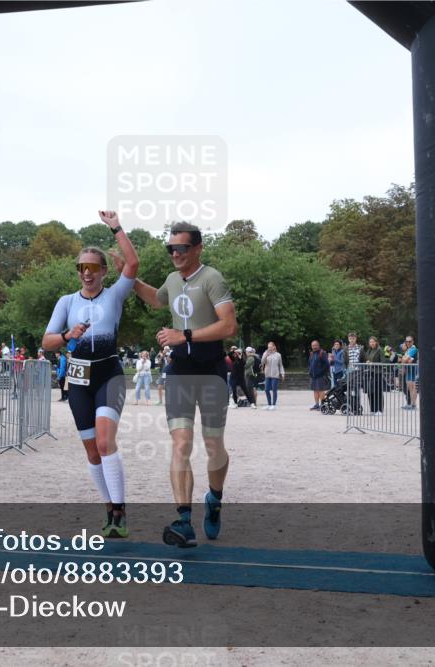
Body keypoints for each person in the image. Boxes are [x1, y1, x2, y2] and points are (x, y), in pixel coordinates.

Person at [125, 221, 237, 548]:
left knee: (214, 446)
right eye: (170, 248)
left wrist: (184, 335)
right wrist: (130, 279)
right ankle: (184, 520)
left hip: (211, 370)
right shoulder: (173, 280)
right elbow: (157, 299)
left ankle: (214, 499)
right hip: (180, 372)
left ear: (197, 248)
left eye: (181, 248)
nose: (175, 254)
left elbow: (229, 326)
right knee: (181, 444)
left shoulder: (212, 278)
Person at [42, 210, 139, 539]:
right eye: (81, 267)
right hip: (79, 380)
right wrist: (69, 335)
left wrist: (116, 228)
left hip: (108, 375)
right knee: (92, 451)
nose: (86, 273)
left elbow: (133, 264)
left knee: (104, 441)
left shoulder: (114, 295)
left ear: (101, 271)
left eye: (92, 267)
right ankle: (109, 509)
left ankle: (120, 509)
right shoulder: (67, 301)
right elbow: (47, 342)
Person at [344, 331, 367, 414]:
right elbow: (345, 361)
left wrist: (362, 369)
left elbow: (363, 360)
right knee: (349, 389)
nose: (352, 340)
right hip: (349, 371)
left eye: (353, 338)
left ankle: (357, 408)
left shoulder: (360, 348)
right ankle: (350, 407)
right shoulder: (346, 348)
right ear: (348, 339)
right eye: (350, 339)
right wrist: (346, 369)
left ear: (356, 339)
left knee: (357, 390)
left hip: (358, 371)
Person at [260, 341, 284, 410]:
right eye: (268, 347)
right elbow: (262, 362)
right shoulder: (266, 353)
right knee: (266, 390)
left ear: (274, 347)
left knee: (274, 390)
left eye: (270, 347)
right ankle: (269, 404)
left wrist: (282, 373)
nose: (269, 348)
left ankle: (273, 405)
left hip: (275, 375)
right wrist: (266, 355)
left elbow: (280, 365)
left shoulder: (278, 355)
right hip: (267, 374)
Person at [365, 336, 385, 415]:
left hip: (378, 373)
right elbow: (367, 359)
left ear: (376, 342)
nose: (372, 343)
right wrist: (367, 361)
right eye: (370, 342)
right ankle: (372, 409)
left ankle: (379, 410)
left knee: (378, 392)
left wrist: (373, 363)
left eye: (373, 342)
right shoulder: (369, 350)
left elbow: (383, 362)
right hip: (370, 373)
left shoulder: (380, 350)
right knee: (370, 392)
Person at [308, 340, 330, 410]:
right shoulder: (311, 354)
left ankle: (322, 405)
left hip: (320, 376)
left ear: (318, 345)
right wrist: (310, 372)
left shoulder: (322, 353)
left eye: (315, 345)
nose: (314, 347)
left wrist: (321, 373)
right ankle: (317, 404)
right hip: (313, 376)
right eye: (313, 346)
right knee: (315, 390)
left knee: (321, 390)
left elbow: (327, 365)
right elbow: (310, 364)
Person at [402, 335, 419, 410]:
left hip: (413, 371)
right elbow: (405, 360)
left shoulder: (413, 349)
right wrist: (405, 359)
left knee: (413, 387)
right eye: (407, 341)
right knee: (409, 387)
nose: (408, 343)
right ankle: (411, 404)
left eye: (410, 341)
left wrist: (404, 359)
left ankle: (413, 404)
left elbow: (406, 360)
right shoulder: (408, 349)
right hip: (409, 370)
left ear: (412, 341)